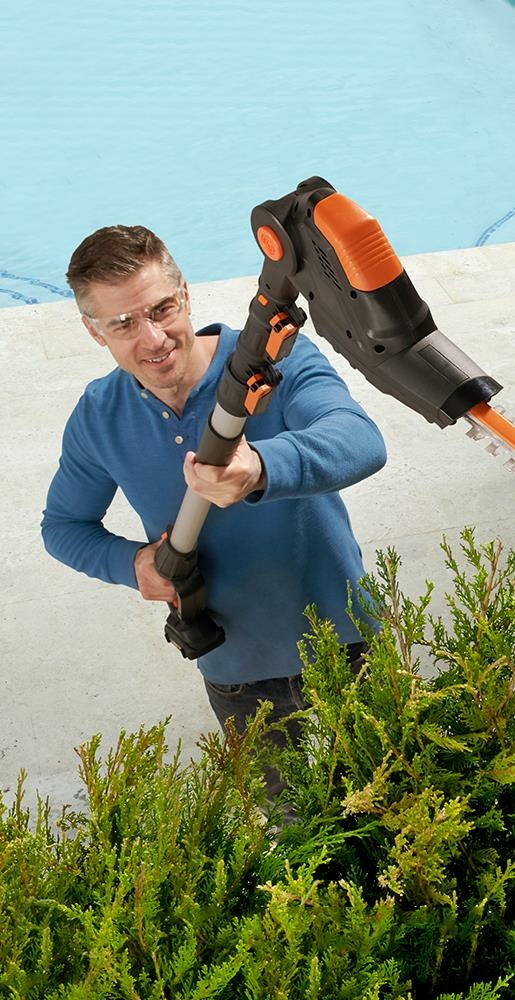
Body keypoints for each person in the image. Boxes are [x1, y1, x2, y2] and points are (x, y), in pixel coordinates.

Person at [41, 224, 387, 802]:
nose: (153, 338)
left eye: (162, 309)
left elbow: (361, 440)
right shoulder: (99, 416)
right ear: (93, 331)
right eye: (123, 323)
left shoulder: (272, 358)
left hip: (348, 640)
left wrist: (262, 467)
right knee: (290, 823)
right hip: (234, 669)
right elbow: (62, 528)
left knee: (398, 808)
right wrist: (134, 565)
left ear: (186, 295)